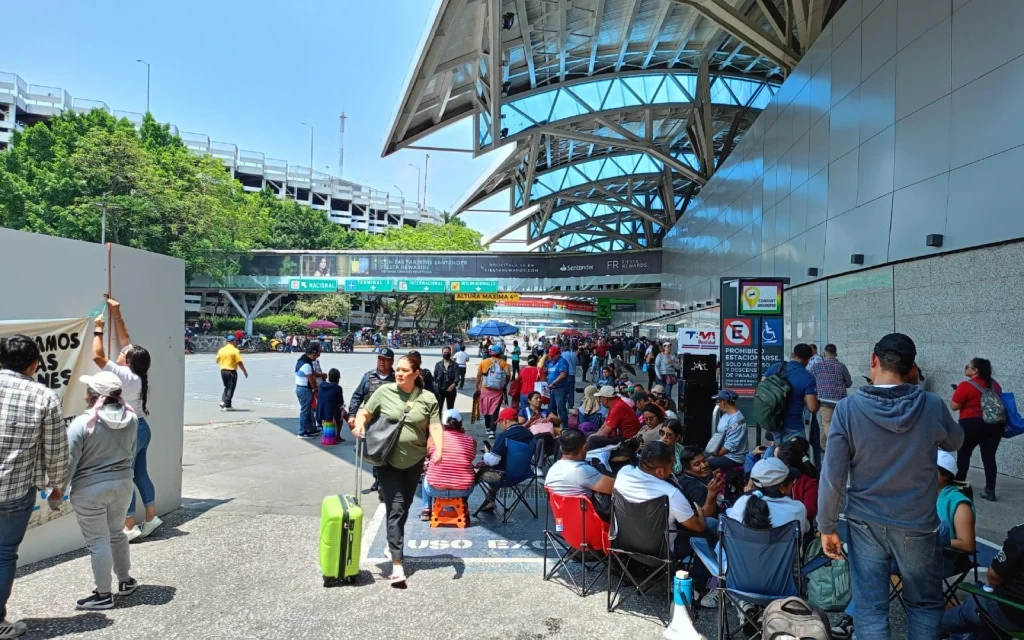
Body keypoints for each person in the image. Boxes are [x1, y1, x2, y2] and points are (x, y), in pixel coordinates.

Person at [819, 333, 964, 640]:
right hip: (918, 523)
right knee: (924, 605)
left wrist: (827, 526)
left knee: (871, 609)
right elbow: (955, 441)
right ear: (913, 369)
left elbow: (833, 476)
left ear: (874, 361)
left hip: (864, 522)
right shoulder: (933, 406)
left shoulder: (847, 409)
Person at [352, 353, 440, 588]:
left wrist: (439, 448)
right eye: (397, 370)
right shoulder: (384, 392)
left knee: (405, 505)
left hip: (414, 461)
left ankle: (392, 543)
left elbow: (434, 425)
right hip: (387, 461)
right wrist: (359, 423)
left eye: (404, 370)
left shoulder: (428, 398)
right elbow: (365, 412)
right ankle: (398, 564)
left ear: (416, 373)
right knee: (397, 507)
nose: (398, 373)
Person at [0, 335, 68, 638]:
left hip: (16, 491)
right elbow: (56, 451)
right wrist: (57, 487)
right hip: (14, 491)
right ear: (34, 364)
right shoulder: (44, 396)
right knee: (3, 554)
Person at [65, 371, 140, 610]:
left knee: (98, 541)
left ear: (92, 396)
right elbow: (132, 451)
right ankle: (125, 581)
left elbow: (69, 462)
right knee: (116, 533)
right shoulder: (132, 418)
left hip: (90, 489)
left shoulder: (82, 424)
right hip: (123, 483)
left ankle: (103, 594)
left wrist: (58, 491)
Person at [88, 302, 160, 542]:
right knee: (140, 473)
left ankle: (129, 525)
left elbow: (97, 356)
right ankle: (151, 517)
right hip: (142, 428)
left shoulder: (123, 374)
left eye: (122, 353)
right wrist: (116, 314)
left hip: (129, 431)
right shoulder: (136, 373)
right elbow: (126, 339)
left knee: (125, 477)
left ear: (127, 361)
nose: (119, 351)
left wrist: (98, 329)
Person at [940, 522, 1024, 639]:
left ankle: (931, 628)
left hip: (1009, 611)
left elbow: (994, 577)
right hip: (1012, 616)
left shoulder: (1020, 535)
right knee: (988, 624)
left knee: (975, 608)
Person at [613, 442, 707, 541]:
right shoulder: (671, 493)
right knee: (711, 523)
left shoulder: (623, 473)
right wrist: (700, 514)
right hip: (662, 552)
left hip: (625, 543)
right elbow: (699, 528)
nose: (673, 469)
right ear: (659, 472)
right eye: (672, 465)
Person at [951, 357, 1004, 502]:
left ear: (975, 371)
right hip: (995, 426)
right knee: (989, 457)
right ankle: (990, 490)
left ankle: (959, 485)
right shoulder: (995, 385)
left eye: (968, 366)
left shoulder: (965, 386)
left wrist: (957, 393)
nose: (965, 368)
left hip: (972, 425)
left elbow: (954, 406)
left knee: (964, 453)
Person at [727, 458, 809, 536]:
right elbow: (806, 529)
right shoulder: (798, 509)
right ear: (782, 487)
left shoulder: (741, 503)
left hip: (742, 550)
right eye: (792, 481)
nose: (792, 484)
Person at [544, 429, 615, 520]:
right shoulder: (583, 471)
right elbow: (616, 487)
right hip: (589, 525)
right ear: (584, 447)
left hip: (564, 524)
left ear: (561, 448)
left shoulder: (552, 470)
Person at [419, 409, 476, 521]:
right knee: (471, 473)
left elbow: (425, 455)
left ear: (443, 425)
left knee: (426, 472)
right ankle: (462, 502)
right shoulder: (471, 441)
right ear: (461, 424)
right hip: (463, 490)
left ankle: (426, 508)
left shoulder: (433, 440)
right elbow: (470, 458)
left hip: (435, 489)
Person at [477, 407, 535, 512]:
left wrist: (486, 453)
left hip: (504, 476)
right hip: (524, 474)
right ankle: (489, 502)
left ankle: (461, 502)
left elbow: (492, 461)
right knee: (497, 467)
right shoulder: (530, 434)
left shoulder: (504, 436)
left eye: (500, 422)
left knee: (477, 471)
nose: (500, 425)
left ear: (504, 421)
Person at [762, 343, 819, 442]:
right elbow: (812, 408)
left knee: (776, 448)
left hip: (772, 420)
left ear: (793, 355)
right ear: (809, 358)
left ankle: (769, 456)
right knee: (796, 455)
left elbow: (762, 386)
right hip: (793, 425)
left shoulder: (776, 367)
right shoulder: (808, 378)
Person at [807, 343, 852, 453]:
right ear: (835, 354)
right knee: (836, 423)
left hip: (824, 399)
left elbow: (810, 380)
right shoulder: (841, 366)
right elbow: (849, 383)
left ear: (824, 354)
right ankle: (823, 445)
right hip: (840, 400)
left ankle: (835, 447)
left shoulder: (817, 366)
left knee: (827, 423)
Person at [775, 437, 819, 522]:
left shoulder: (809, 482)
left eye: (775, 458)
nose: (772, 461)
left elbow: (809, 511)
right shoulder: (775, 476)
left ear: (786, 464)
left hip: (797, 527)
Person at [587, 386, 642, 450]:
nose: (600, 400)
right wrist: (596, 433)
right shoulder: (615, 404)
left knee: (592, 439)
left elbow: (605, 433)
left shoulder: (617, 407)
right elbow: (605, 424)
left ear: (605, 399)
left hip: (627, 439)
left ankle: (594, 459)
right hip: (622, 436)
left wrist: (594, 435)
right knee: (590, 435)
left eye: (600, 398)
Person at [476, 344, 511, 439]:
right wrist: (504, 385)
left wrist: (477, 387)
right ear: (500, 353)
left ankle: (487, 428)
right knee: (495, 411)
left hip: (485, 390)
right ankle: (492, 431)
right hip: (498, 391)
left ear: (491, 353)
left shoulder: (484, 362)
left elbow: (479, 375)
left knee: (486, 410)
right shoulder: (504, 363)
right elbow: (508, 376)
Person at [707, 389, 748, 470]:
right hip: (722, 453)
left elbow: (729, 446)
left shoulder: (737, 420)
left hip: (734, 458)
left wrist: (715, 456)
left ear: (723, 401)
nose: (718, 404)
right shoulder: (726, 415)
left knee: (706, 464)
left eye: (718, 402)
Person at [294, 344, 323, 439]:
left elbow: (313, 374)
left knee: (308, 411)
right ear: (311, 354)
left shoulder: (304, 360)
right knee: (305, 411)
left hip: (302, 388)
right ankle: (302, 432)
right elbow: (311, 379)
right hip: (304, 389)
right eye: (315, 355)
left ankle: (310, 429)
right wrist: (316, 388)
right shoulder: (306, 364)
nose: (316, 357)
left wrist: (321, 375)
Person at [216, 334, 248, 411]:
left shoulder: (221, 350)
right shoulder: (235, 350)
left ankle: (223, 401)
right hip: (231, 371)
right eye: (235, 341)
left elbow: (217, 360)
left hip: (223, 371)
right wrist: (244, 371)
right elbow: (239, 362)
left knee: (226, 387)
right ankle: (227, 405)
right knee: (231, 388)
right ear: (233, 341)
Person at [317, 368, 346, 445]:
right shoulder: (337, 388)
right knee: (343, 413)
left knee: (337, 409)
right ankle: (338, 436)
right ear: (338, 378)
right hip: (330, 413)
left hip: (320, 411)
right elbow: (341, 402)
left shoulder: (321, 385)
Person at [545, 346, 572, 427]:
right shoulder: (549, 362)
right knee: (551, 409)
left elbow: (563, 375)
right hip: (551, 389)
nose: (551, 357)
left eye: (553, 356)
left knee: (561, 409)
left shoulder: (562, 361)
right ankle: (554, 426)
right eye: (550, 355)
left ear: (558, 354)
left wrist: (553, 383)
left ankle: (565, 427)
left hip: (560, 388)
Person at [433, 346, 460, 412]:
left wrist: (452, 386)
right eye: (445, 352)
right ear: (442, 353)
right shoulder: (438, 364)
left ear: (450, 353)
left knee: (450, 410)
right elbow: (435, 377)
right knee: (439, 409)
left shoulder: (455, 365)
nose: (446, 354)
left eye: (448, 352)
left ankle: (448, 422)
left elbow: (457, 378)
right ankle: (439, 422)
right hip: (440, 391)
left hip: (451, 391)